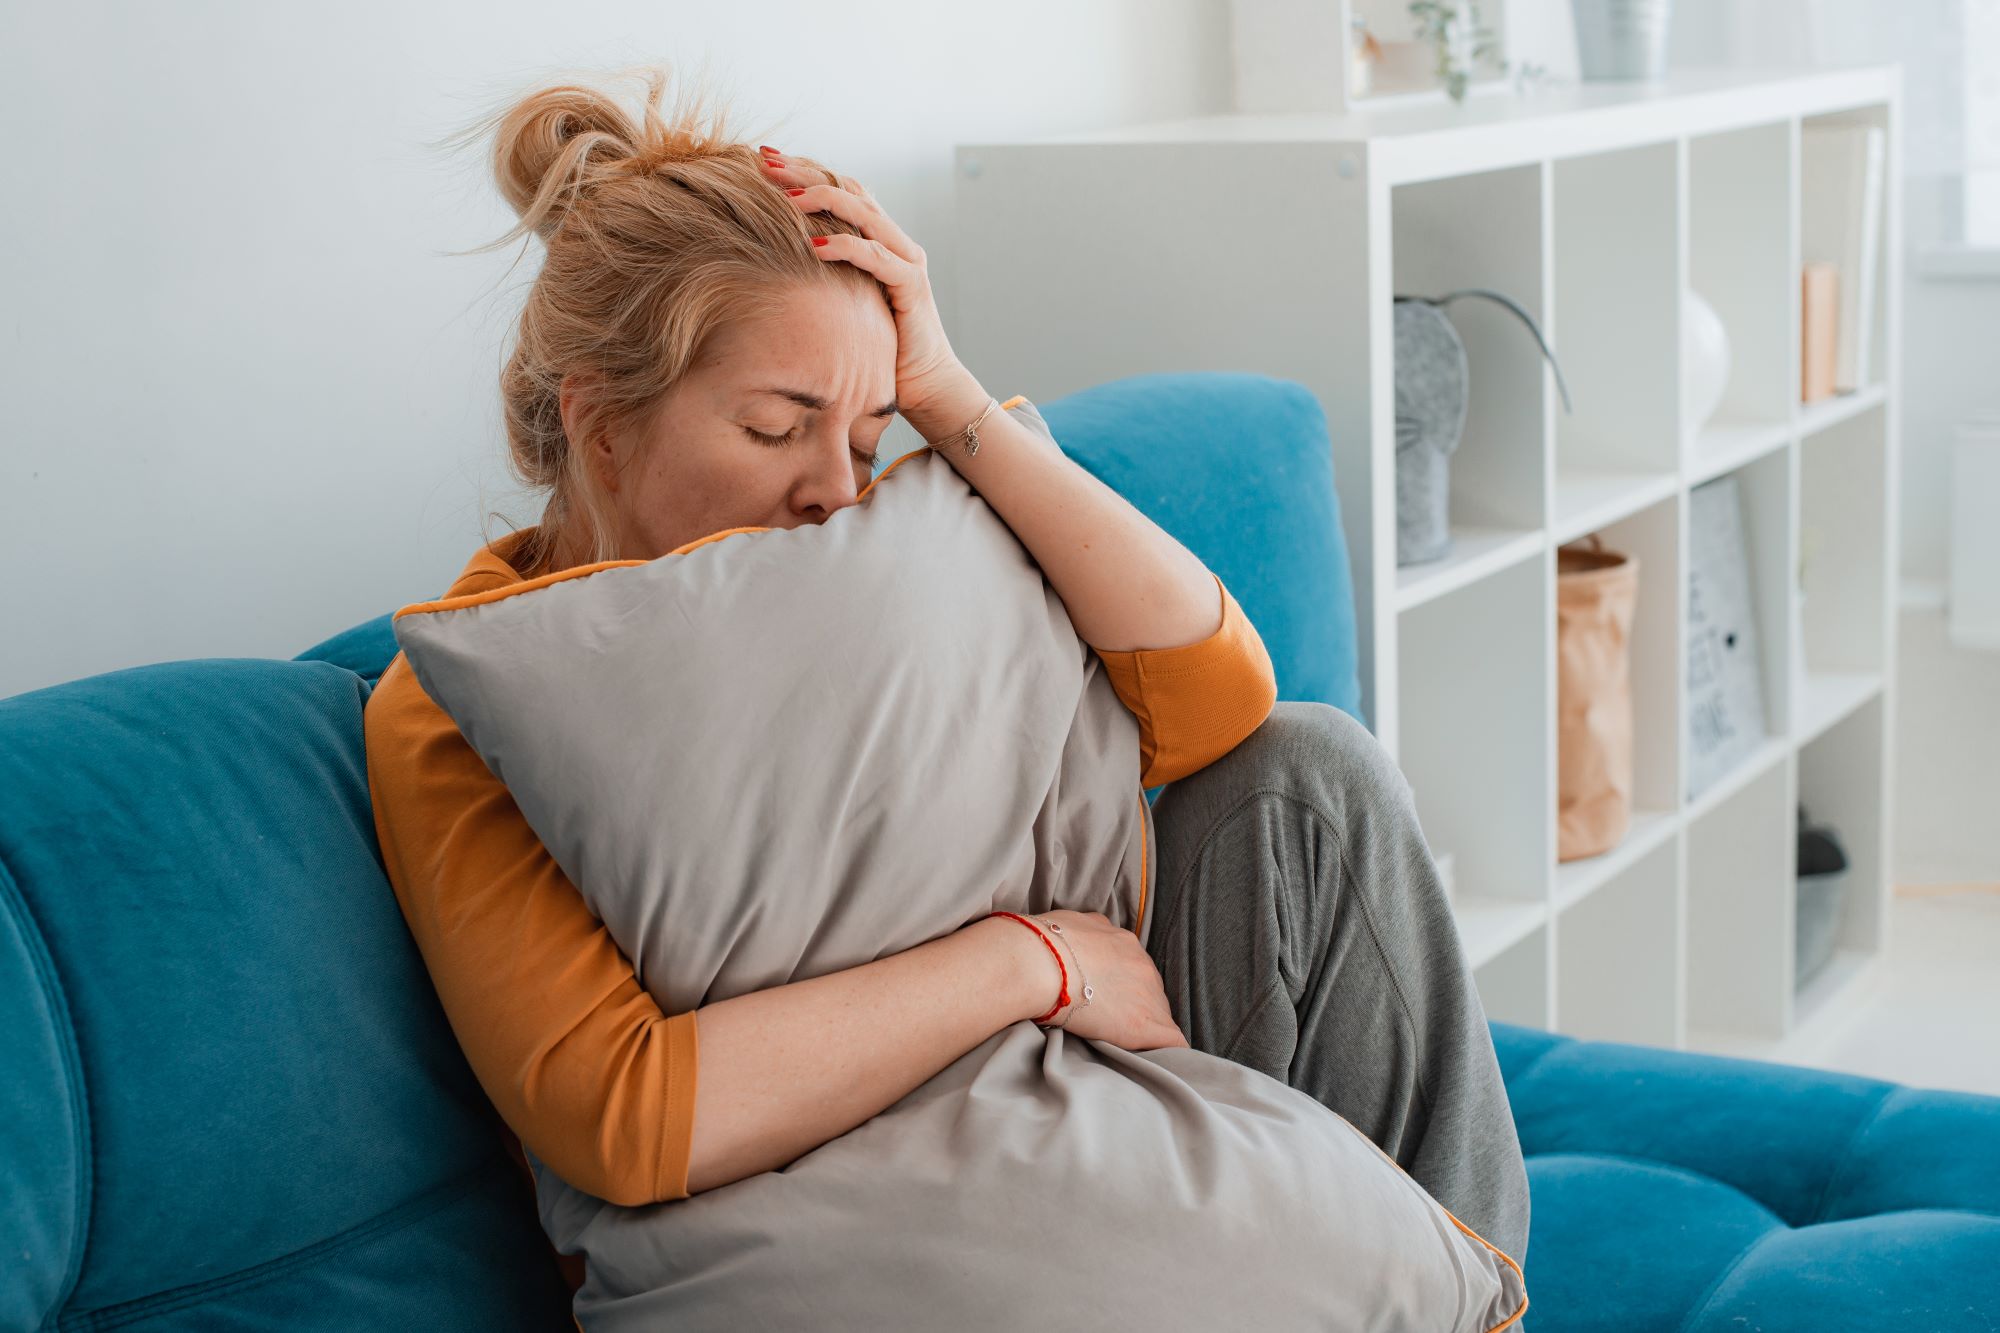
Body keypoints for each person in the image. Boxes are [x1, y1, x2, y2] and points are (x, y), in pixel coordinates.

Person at [364, 64, 1530, 1302]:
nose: (832, 488)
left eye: (867, 441)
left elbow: (1218, 693)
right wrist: (1029, 965)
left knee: (1309, 770)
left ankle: (1454, 1291)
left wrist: (947, 394)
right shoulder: (464, 702)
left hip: (1096, 1053)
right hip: (868, 1170)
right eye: (775, 428)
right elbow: (625, 1114)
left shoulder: (865, 565)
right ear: (601, 426)